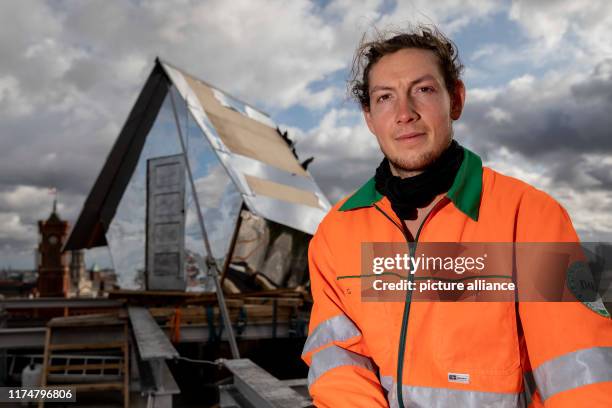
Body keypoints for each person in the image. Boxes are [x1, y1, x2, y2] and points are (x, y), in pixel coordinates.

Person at [301, 25, 612, 407]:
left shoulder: (529, 216)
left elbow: (581, 375)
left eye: (424, 90)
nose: (404, 113)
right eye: (385, 97)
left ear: (456, 100)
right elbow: (337, 359)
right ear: (369, 117)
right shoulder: (336, 231)